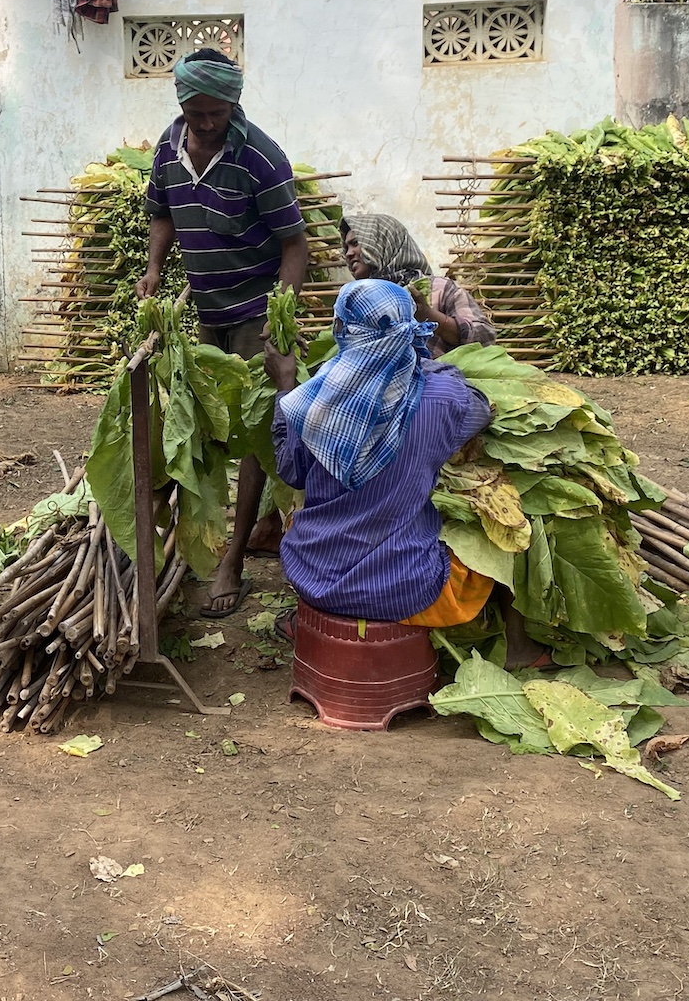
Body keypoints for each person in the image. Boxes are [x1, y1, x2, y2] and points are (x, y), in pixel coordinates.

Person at [265, 279, 539, 665]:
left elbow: (291, 472)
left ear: (340, 329)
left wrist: (284, 383)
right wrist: (429, 366)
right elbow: (481, 407)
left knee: (304, 510)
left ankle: (311, 620)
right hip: (405, 588)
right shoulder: (442, 398)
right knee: (505, 518)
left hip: (309, 573)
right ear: (411, 331)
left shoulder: (309, 399)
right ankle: (518, 646)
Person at [137, 48, 310, 618]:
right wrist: (155, 267)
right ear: (182, 103)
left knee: (256, 431)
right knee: (208, 429)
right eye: (198, 112)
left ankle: (233, 560)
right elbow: (163, 213)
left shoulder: (260, 157)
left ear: (234, 103)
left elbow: (295, 245)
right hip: (207, 311)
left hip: (255, 311)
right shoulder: (167, 149)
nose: (209, 123)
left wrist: (280, 319)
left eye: (219, 112)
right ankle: (221, 536)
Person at [341, 212, 497, 352]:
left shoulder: (440, 289)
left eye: (355, 243)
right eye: (346, 247)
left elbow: (484, 338)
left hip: (438, 375)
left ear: (383, 243)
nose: (348, 253)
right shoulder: (355, 304)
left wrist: (429, 316)